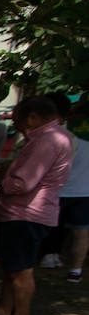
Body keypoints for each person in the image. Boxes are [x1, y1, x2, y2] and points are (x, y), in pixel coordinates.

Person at [0, 96, 73, 315]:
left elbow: (23, 183)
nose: (17, 127)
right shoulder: (51, 138)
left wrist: (3, 178)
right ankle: (3, 313)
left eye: (18, 121)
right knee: (11, 266)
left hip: (27, 213)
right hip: (20, 212)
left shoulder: (47, 141)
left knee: (21, 269)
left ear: (33, 117)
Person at [58, 97, 89, 284]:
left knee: (43, 227)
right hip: (85, 193)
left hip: (60, 190)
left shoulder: (64, 134)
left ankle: (44, 256)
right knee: (82, 232)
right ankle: (75, 270)